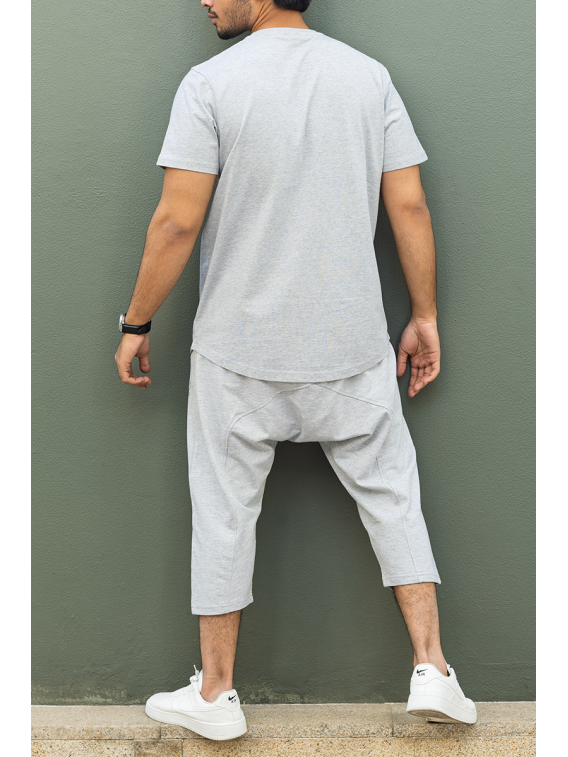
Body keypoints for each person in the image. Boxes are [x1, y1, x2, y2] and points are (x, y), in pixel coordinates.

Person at [114, 0, 477, 741]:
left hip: (238, 351)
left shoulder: (211, 84)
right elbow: (409, 205)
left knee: (223, 513)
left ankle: (216, 693)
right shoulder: (368, 78)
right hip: (350, 345)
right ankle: (434, 669)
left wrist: (137, 322)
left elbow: (176, 220)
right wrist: (424, 315)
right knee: (394, 497)